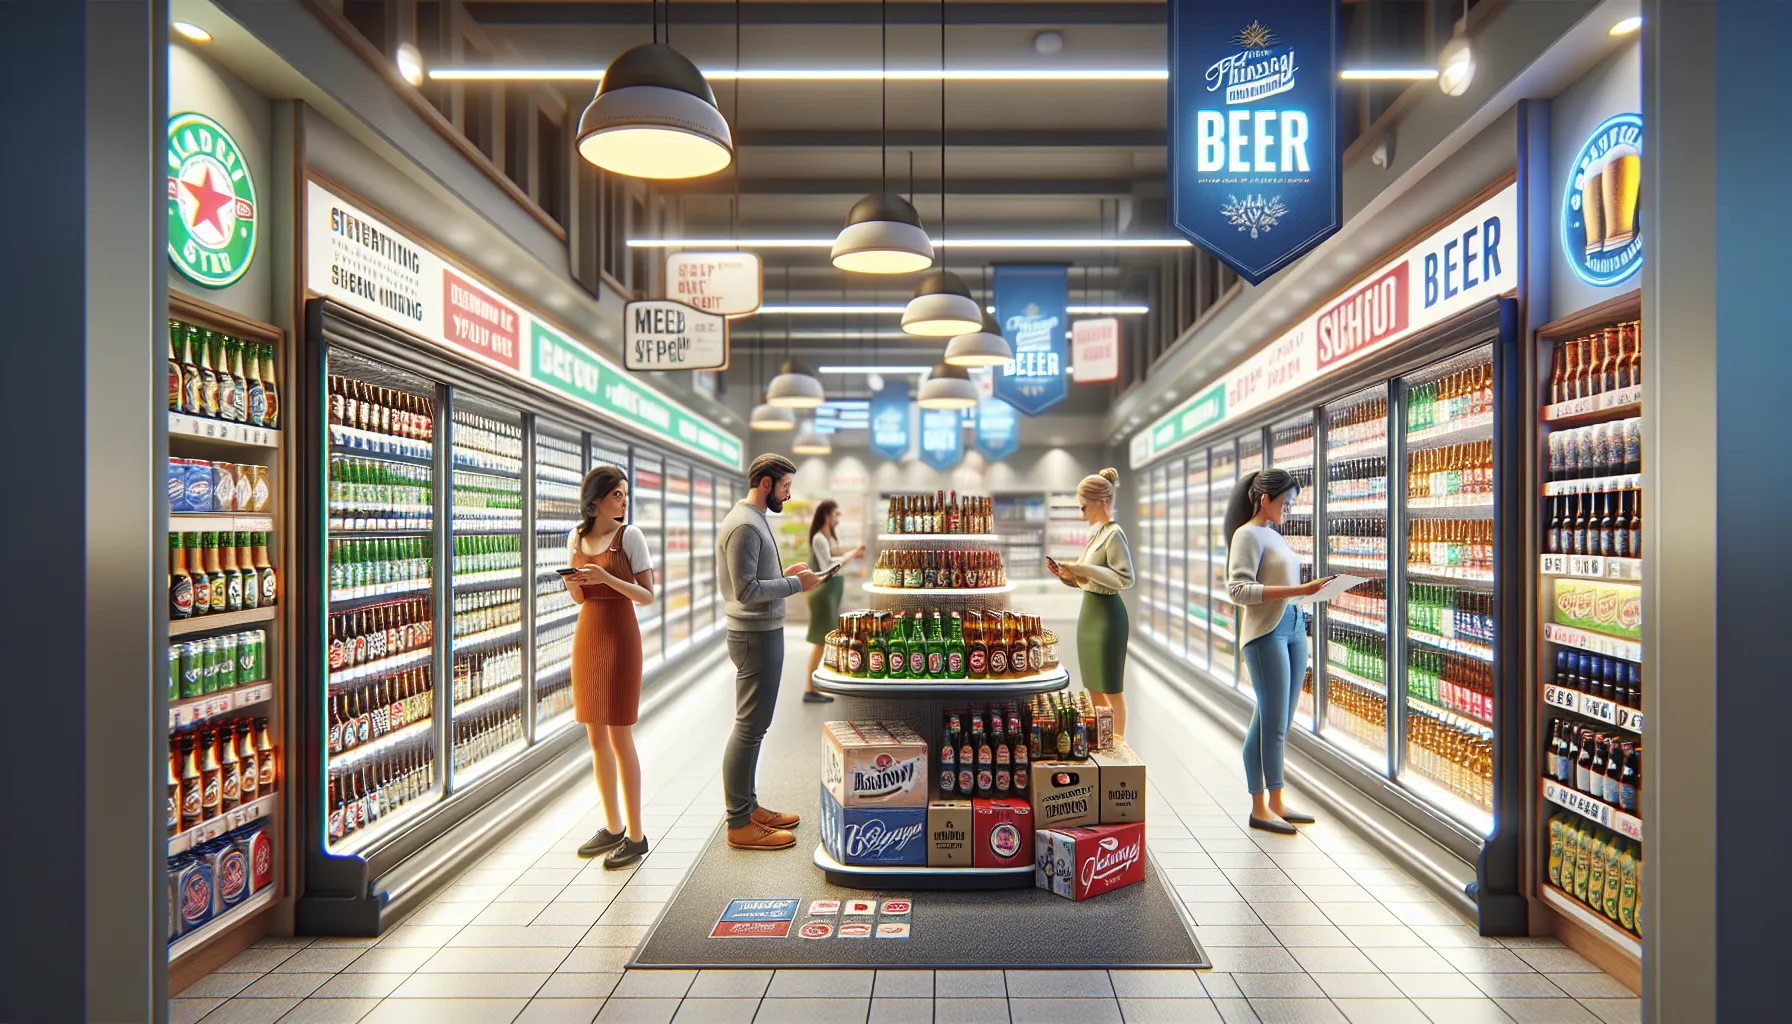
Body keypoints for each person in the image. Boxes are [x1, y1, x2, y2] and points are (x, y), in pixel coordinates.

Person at [717, 454, 820, 850]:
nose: (788, 494)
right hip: (754, 635)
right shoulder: (744, 525)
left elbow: (758, 580)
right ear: (765, 483)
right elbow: (746, 591)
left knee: (755, 726)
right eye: (785, 486)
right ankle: (739, 823)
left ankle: (749, 807)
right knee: (749, 727)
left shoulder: (753, 519)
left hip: (762, 632)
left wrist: (785, 576)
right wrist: (796, 587)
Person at [1225, 467, 1334, 835]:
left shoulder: (1274, 534)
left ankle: (1276, 803)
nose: (1289, 508)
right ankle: (1261, 806)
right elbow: (1238, 591)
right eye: (1286, 502)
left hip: (1293, 629)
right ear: (1265, 498)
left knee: (1278, 722)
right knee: (1271, 725)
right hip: (1265, 635)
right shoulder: (1247, 535)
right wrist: (1299, 591)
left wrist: (1308, 595)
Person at [566, 465, 657, 868]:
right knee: (596, 739)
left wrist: (606, 577)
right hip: (587, 636)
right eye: (617, 494)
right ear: (597, 499)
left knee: (621, 738)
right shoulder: (576, 536)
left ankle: (636, 837)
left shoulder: (630, 537)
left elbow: (647, 596)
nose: (624, 500)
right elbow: (581, 602)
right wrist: (576, 586)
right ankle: (613, 826)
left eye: (625, 493)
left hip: (621, 637)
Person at [1049, 468, 1136, 739]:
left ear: (1102, 502)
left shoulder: (1114, 534)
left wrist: (1084, 568)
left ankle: (1119, 744)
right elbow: (1092, 580)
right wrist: (1069, 576)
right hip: (1089, 615)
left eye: (1084, 506)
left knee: (1111, 686)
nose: (1081, 512)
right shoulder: (1097, 534)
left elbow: (1125, 578)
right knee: (1093, 685)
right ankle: (1104, 737)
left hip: (1108, 619)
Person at [802, 500, 863, 703]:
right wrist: (851, 556)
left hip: (830, 594)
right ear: (826, 516)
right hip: (823, 594)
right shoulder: (819, 538)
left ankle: (814, 688)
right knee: (822, 642)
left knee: (825, 641)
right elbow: (828, 565)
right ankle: (810, 690)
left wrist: (849, 554)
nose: (837, 519)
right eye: (836, 515)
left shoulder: (827, 538)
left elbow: (834, 557)